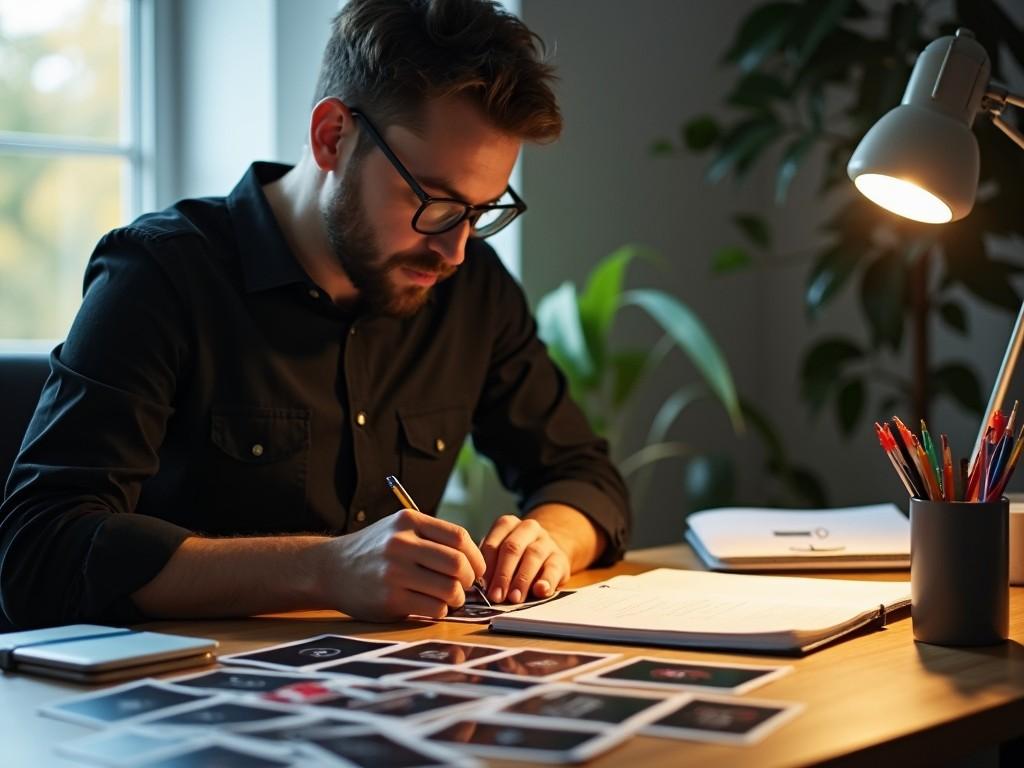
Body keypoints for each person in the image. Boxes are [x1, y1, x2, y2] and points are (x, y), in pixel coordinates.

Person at [0, 0, 629, 629]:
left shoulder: (471, 290)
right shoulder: (161, 275)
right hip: (176, 700)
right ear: (332, 136)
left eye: (483, 210)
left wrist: (546, 540)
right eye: (435, 202)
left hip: (394, 687)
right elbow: (40, 552)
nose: (454, 249)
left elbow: (582, 475)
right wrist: (324, 568)